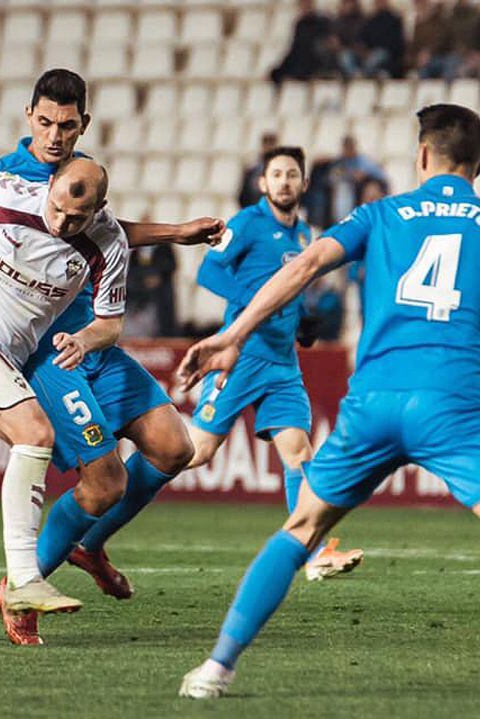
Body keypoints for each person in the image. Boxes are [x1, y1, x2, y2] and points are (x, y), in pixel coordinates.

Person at [176, 103, 480, 699]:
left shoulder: (382, 213)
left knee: (302, 528)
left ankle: (215, 669)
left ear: (422, 155)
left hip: (372, 402)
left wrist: (232, 333)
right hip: (453, 403)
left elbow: (309, 263)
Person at [0, 69, 222, 644]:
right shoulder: (4, 177)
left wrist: (176, 232)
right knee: (103, 483)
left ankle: (88, 542)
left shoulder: (81, 177)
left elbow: (107, 233)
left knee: (172, 447)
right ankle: (20, 589)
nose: (55, 135)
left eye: (67, 125)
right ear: (27, 116)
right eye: (45, 122)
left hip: (92, 336)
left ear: (84, 123)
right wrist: (6, 266)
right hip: (46, 351)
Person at [189, 146, 363, 582]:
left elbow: (292, 291)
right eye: (276, 175)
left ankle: (314, 552)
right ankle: (109, 490)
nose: (284, 182)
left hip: (283, 364)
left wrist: (300, 319)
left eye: (291, 175)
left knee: (299, 454)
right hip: (243, 356)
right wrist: (258, 306)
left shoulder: (305, 235)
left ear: (304, 184)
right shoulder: (247, 223)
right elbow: (208, 274)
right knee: (195, 452)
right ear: (263, 183)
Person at [270, 0, 334, 82]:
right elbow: (294, 49)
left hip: (318, 62)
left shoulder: (324, 21)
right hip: (302, 63)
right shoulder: (300, 25)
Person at [355, 0, 406, 78]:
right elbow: (361, 38)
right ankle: (367, 73)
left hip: (387, 52)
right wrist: (364, 50)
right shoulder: (370, 20)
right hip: (369, 53)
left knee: (378, 55)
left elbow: (396, 42)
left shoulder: (394, 20)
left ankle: (364, 75)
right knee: (346, 56)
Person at [238, 132, 280, 209]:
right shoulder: (252, 169)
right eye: (267, 144)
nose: (269, 148)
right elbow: (244, 195)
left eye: (271, 144)